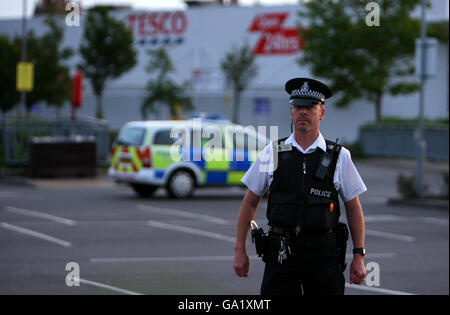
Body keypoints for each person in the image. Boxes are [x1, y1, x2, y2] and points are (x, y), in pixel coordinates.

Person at [233, 77, 367, 295]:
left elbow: (353, 207)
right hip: (281, 256)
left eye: (310, 107)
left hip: (324, 256)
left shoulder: (339, 157)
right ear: (291, 112)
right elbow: (250, 202)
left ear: (322, 113)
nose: (303, 112)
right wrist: (240, 250)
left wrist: (359, 255)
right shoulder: (273, 152)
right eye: (297, 107)